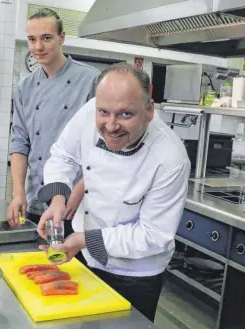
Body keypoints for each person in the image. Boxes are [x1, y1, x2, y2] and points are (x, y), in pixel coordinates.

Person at [36, 63, 191, 322]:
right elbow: (63, 154)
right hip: (85, 256)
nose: (111, 125)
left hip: (134, 273)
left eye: (125, 114)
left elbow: (152, 236)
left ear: (149, 110)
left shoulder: (170, 158)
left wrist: (82, 239)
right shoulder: (90, 112)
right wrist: (58, 200)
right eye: (104, 112)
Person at [7, 8, 100, 231]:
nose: (38, 47)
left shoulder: (90, 80)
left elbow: (102, 148)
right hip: (35, 200)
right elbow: (20, 143)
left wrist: (76, 196)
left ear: (62, 38)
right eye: (32, 39)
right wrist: (18, 193)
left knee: (72, 265)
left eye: (46, 38)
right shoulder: (24, 88)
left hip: (77, 204)